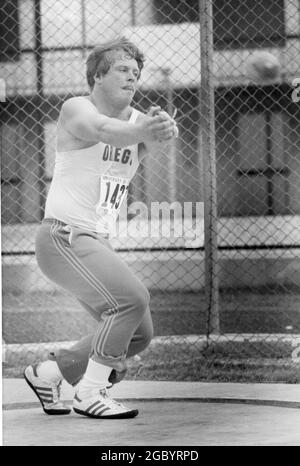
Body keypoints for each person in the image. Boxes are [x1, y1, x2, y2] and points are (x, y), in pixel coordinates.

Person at [24, 36, 178, 419]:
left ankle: (48, 372)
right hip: (63, 236)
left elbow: (151, 135)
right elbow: (106, 131)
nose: (133, 77)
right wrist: (147, 130)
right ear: (97, 76)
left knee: (139, 334)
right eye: (123, 70)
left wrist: (163, 128)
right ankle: (89, 392)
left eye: (136, 73)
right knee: (131, 299)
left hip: (96, 241)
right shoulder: (77, 108)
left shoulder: (137, 121)